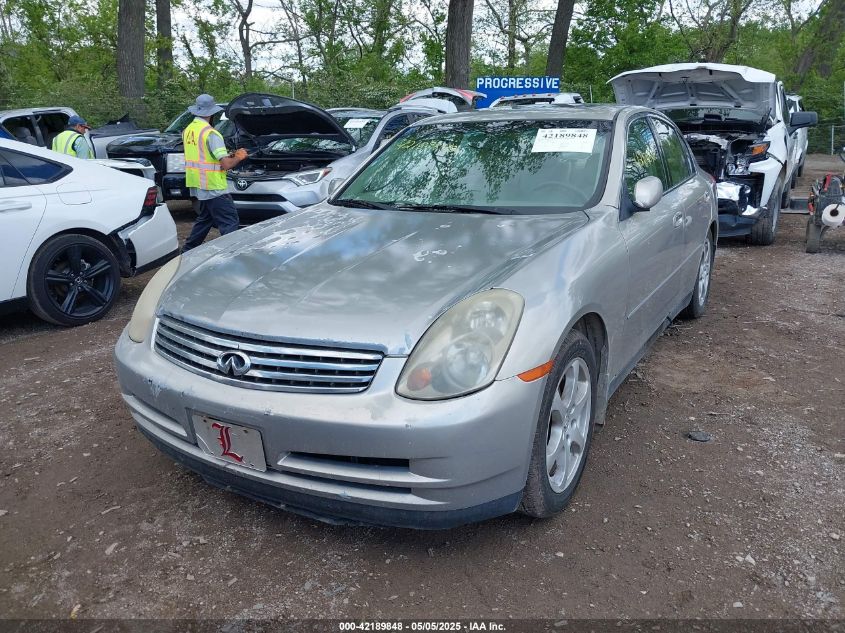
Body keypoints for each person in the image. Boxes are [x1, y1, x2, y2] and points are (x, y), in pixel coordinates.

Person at [181, 94, 248, 252]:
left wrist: (228, 156)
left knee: (205, 219)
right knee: (230, 221)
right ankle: (230, 255)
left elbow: (203, 155)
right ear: (212, 112)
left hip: (199, 184)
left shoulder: (189, 130)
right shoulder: (211, 133)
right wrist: (238, 157)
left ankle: (187, 252)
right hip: (214, 186)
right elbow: (225, 165)